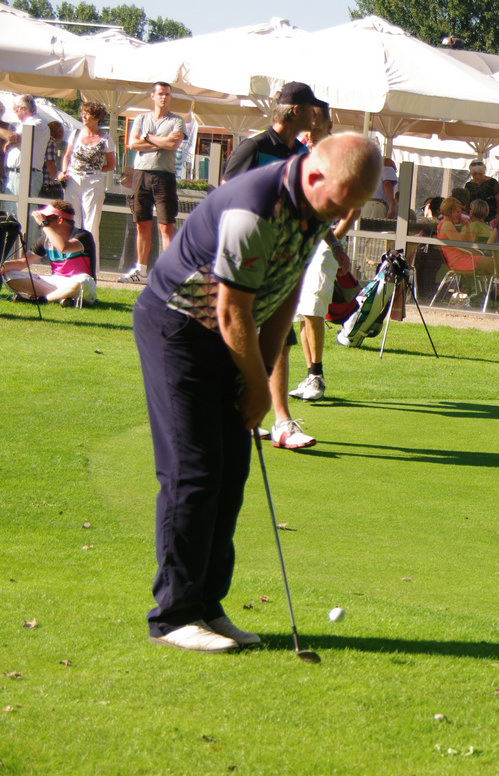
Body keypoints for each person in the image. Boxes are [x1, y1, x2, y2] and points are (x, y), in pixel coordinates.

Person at [132, 133, 380, 653]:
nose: (344, 216)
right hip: (178, 327)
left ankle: (207, 605)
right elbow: (231, 311)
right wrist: (259, 389)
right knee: (194, 470)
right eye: (342, 203)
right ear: (315, 174)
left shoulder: (314, 208)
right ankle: (173, 616)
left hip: (229, 330)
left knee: (231, 470)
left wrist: (262, 371)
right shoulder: (254, 209)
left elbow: (286, 292)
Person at [221, 81, 330, 447]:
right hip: (246, 258)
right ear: (296, 111)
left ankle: (280, 421)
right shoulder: (254, 147)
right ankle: (244, 411)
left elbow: (310, 206)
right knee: (244, 336)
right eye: (311, 108)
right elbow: (226, 196)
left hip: (280, 262)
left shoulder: (301, 154)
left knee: (280, 338)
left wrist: (334, 244)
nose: (315, 115)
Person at [289, 108, 359, 404]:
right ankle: (310, 374)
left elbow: (355, 205)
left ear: (328, 126)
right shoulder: (300, 156)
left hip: (324, 244)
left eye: (315, 127)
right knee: (303, 311)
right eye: (307, 127)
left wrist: (335, 241)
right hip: (298, 242)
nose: (309, 133)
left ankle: (317, 375)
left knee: (314, 307)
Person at [119, 82, 186, 284]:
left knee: (166, 225)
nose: (164, 97)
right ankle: (141, 271)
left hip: (164, 176)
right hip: (141, 174)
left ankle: (168, 273)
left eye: (167, 94)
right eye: (160, 94)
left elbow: (173, 144)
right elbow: (132, 143)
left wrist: (147, 138)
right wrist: (160, 141)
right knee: (142, 224)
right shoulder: (141, 118)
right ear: (153, 96)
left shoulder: (177, 121)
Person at [0, 201, 96, 306]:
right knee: (10, 274)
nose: (43, 222)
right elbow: (23, 262)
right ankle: (61, 297)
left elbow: (64, 247)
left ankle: (42, 299)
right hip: (56, 282)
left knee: (84, 281)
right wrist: (3, 267)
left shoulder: (84, 236)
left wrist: (44, 225)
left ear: (60, 219)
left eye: (46, 219)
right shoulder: (45, 240)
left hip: (78, 282)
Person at [60, 101, 115, 236]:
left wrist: (94, 169)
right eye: (83, 113)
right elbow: (67, 155)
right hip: (72, 179)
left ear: (97, 118)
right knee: (71, 220)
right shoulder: (75, 134)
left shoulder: (106, 139)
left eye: (87, 114)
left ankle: (89, 249)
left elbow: (111, 165)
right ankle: (72, 249)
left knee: (91, 224)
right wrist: (63, 172)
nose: (83, 116)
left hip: (93, 181)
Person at [11, 95, 57, 198]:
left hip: (27, 174)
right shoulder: (24, 124)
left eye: (15, 110)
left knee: (26, 207)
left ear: (23, 109)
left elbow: (13, 138)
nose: (15, 113)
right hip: (17, 174)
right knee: (12, 207)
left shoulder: (37, 123)